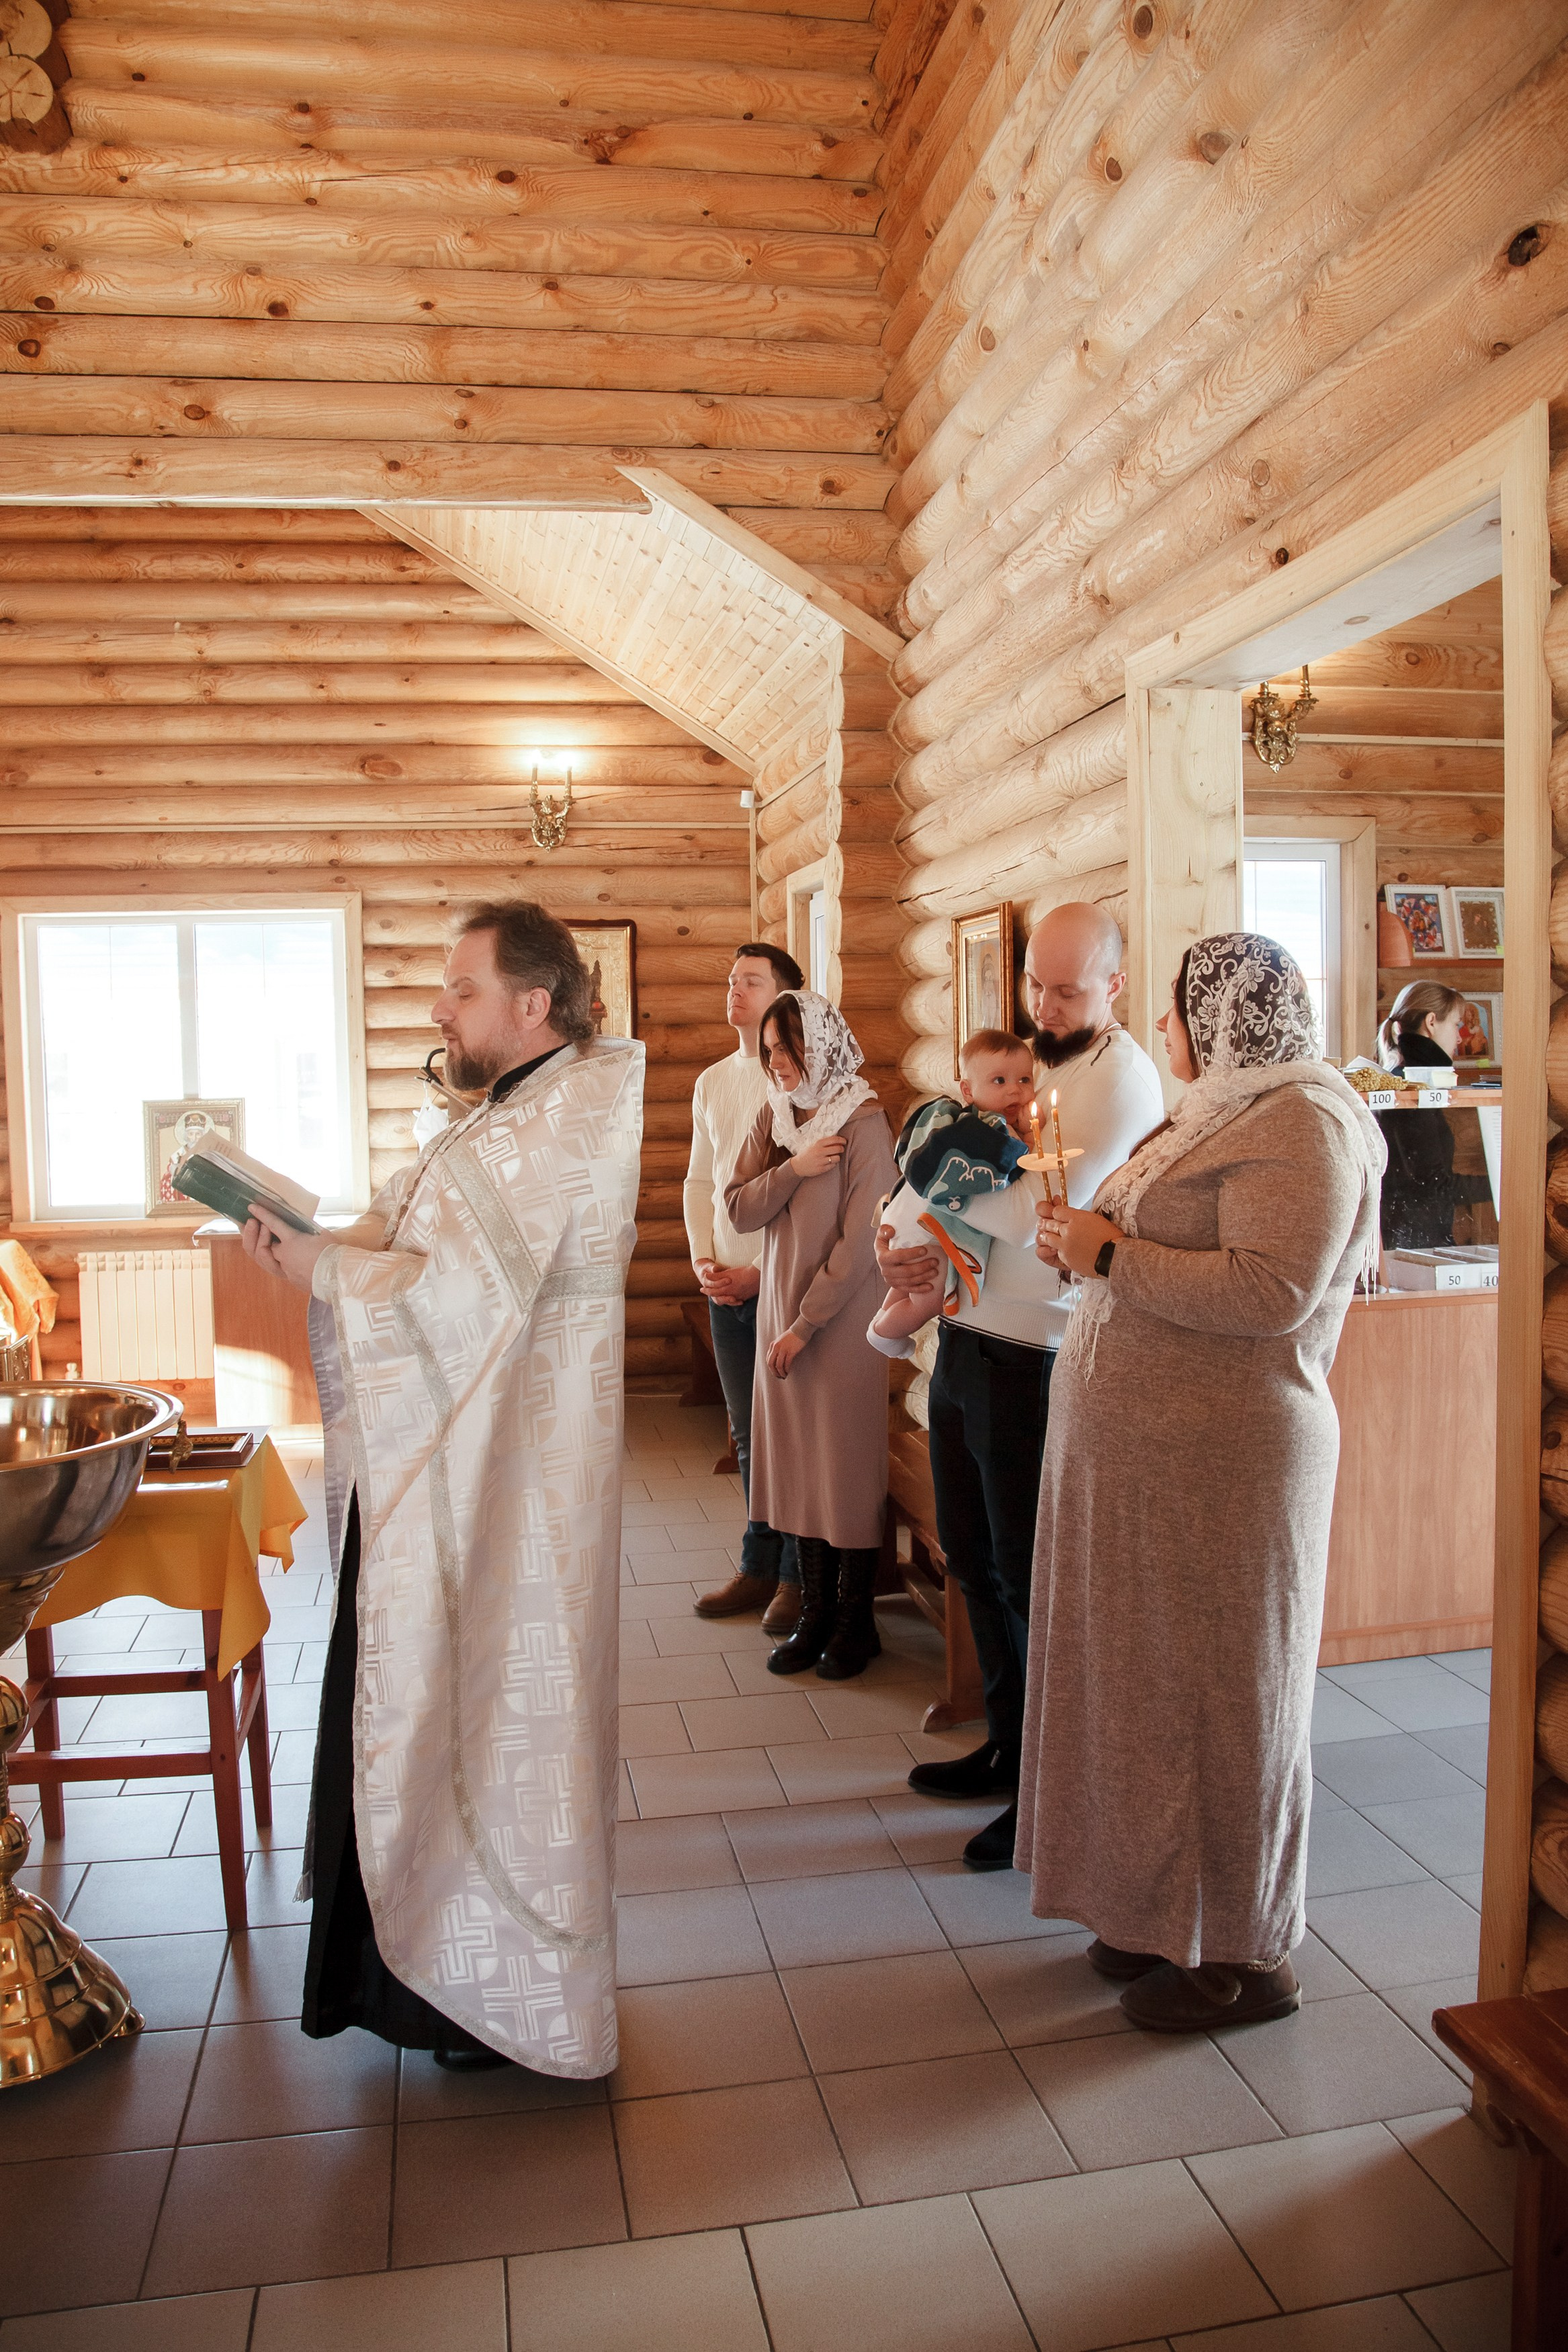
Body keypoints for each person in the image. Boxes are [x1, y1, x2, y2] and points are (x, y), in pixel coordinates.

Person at [241, 900, 643, 2080]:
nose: (437, 1008)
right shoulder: (516, 1107)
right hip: (459, 1469)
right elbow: (426, 1243)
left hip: (512, 1491)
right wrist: (317, 1243)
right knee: (423, 1693)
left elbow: (450, 1301)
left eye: (461, 989)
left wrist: (326, 1269)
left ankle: (491, 1996)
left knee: (486, 1714)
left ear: (534, 1003)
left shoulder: (561, 1119)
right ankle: (421, 1974)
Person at [1020, 932, 1384, 2031]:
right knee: (1144, 1694)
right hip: (1148, 1470)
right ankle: (1148, 1912)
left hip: (1226, 1473)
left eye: (1176, 1010)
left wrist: (1104, 1255)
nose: (1162, 1028)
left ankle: (1242, 1953)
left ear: (1225, 1016)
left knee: (1224, 1706)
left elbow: (1269, 1291)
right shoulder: (1214, 1109)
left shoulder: (1304, 1120)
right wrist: (1079, 1243)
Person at [876, 904, 1164, 1869]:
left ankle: (1049, 1785)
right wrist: (901, 1235)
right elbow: (956, 1170)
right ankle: (1007, 1743)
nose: (1043, 1005)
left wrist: (932, 1201)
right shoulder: (1034, 1061)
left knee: (1026, 1574)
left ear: (1114, 985)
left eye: (1066, 991)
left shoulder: (1119, 1078)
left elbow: (1034, 1208)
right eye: (1035, 985)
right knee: (970, 1555)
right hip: (967, 1336)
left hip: (1034, 1355)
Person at [724, 991, 897, 1679]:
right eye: (769, 1049)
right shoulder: (776, 1116)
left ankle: (858, 1621)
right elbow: (738, 1207)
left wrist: (804, 1325)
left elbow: (862, 1247)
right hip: (780, 1317)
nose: (776, 1062)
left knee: (844, 1471)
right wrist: (794, 1168)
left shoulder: (865, 1121)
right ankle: (816, 1613)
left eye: (786, 1047)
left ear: (819, 1045)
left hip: (841, 1322)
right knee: (798, 1466)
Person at [683, 941, 805, 1632]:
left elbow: (803, 1197)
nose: (734, 990)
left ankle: (796, 1577)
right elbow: (700, 1180)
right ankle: (759, 1566)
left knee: (788, 1434)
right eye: (731, 980)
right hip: (723, 1284)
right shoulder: (712, 1081)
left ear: (784, 997)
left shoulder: (797, 1079)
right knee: (748, 1434)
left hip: (781, 1283)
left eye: (751, 981)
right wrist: (704, 1260)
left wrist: (760, 1271)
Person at [869, 1031, 1034, 1347]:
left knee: (907, 1285)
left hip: (907, 1219)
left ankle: (882, 1318)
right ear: (968, 1091)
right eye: (999, 1081)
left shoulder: (958, 1121)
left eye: (1025, 1079)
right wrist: (1025, 1140)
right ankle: (884, 1335)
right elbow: (1005, 1168)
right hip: (925, 1229)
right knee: (927, 1301)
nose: (1015, 1089)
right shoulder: (985, 1130)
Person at [1375, 980, 1468, 1249]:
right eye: (1456, 1025)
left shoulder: (1403, 1080)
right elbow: (1434, 1184)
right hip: (1413, 1244)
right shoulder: (1411, 1089)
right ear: (1431, 1022)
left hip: (1409, 1238)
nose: (1460, 1038)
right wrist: (1506, 1185)